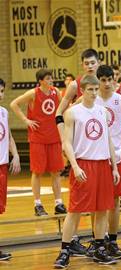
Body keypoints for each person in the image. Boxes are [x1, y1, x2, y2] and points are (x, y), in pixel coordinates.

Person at [54, 75, 120, 268]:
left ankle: (100, 248)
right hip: (83, 164)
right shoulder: (72, 112)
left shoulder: (102, 112)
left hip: (103, 165)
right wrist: (74, 166)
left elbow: (108, 140)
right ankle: (65, 250)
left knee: (101, 210)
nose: (93, 93)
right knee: (75, 210)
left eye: (95, 89)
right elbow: (66, 142)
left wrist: (114, 166)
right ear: (82, 90)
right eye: (89, 89)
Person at [91, 65, 121, 258]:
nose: (107, 83)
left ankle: (114, 241)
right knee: (96, 201)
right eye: (103, 80)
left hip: (116, 157)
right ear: (98, 80)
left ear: (115, 79)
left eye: (110, 79)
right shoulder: (90, 100)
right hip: (96, 156)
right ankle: (97, 240)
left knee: (116, 200)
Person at [10, 69, 66, 216]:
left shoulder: (56, 93)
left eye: (51, 78)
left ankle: (59, 203)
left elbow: (64, 109)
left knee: (56, 172)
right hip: (38, 139)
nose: (51, 81)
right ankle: (37, 204)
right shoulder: (33, 93)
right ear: (41, 81)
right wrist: (26, 120)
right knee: (37, 172)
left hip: (54, 138)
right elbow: (14, 104)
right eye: (48, 79)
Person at [0, 78, 21, 260]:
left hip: (2, 167)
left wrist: (16, 155)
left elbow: (9, 136)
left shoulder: (4, 112)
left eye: (1, 91)